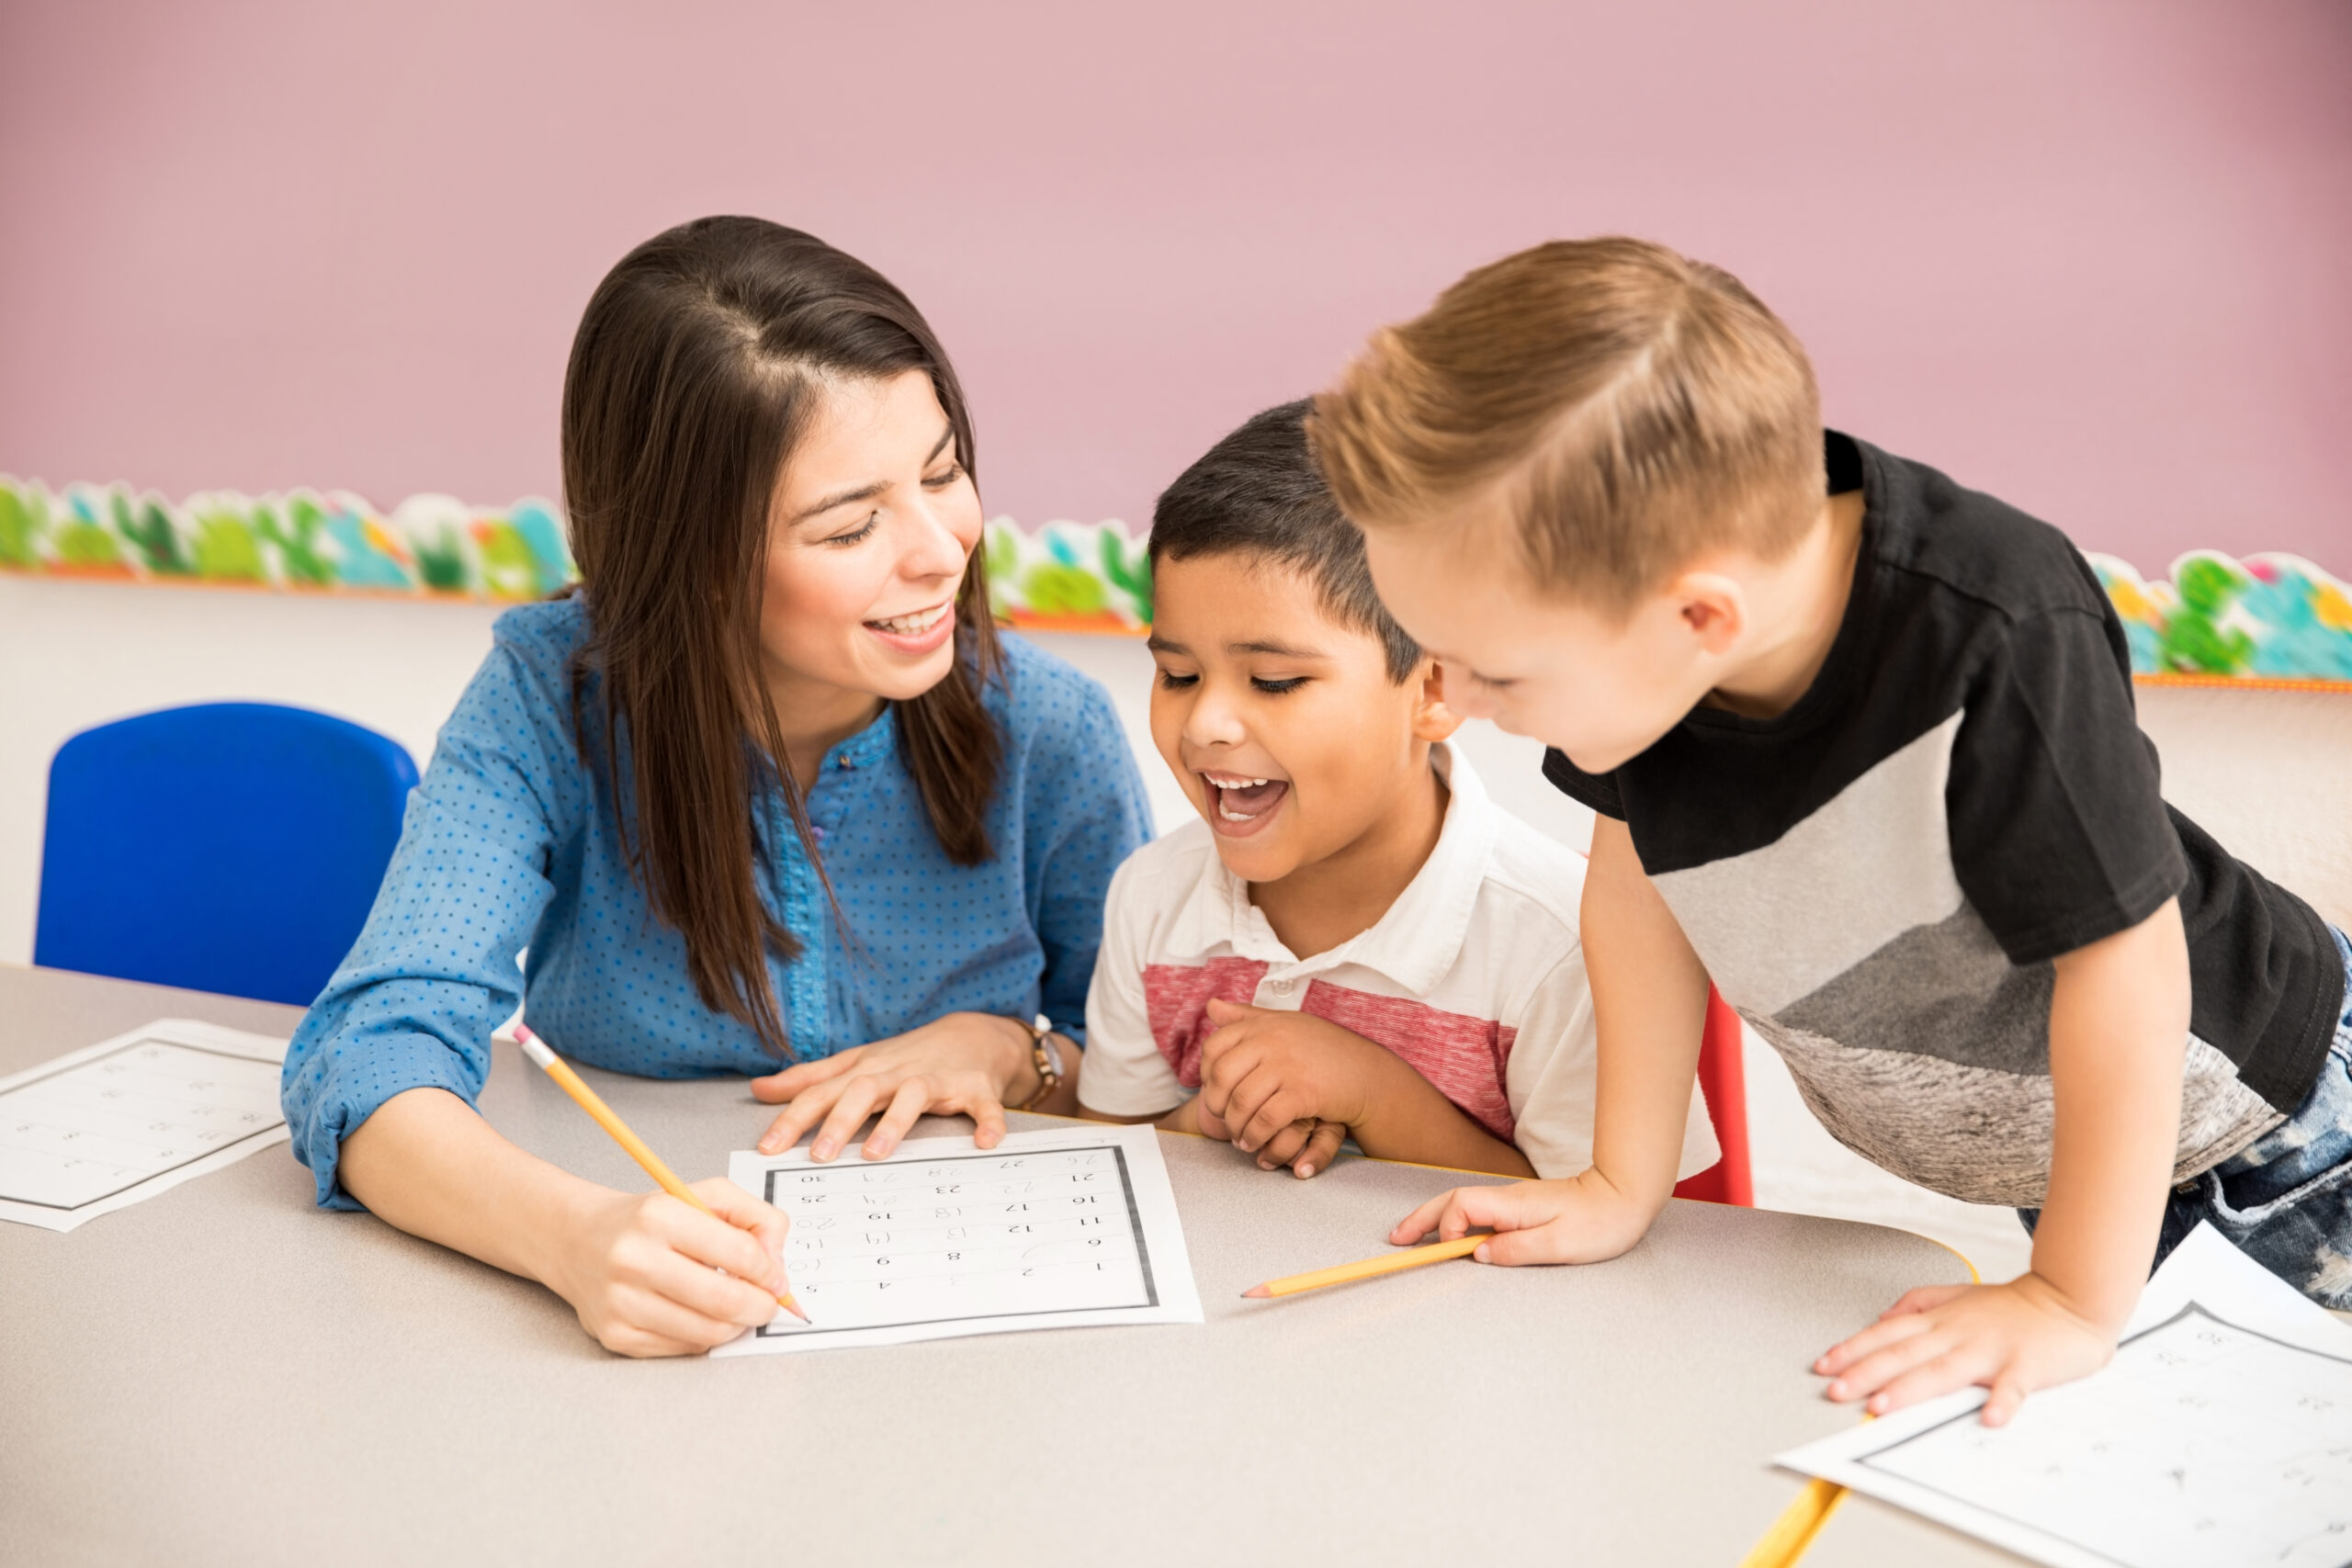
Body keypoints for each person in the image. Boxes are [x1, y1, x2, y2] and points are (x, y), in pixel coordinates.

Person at [1310, 237, 2351, 1425]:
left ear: (1703, 613)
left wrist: (2066, 1291)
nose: (1453, 702)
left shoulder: (1995, 627)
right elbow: (1640, 884)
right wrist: (1617, 1182)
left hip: (2273, 1129)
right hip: (2080, 1159)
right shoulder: (1647, 655)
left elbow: (2126, 964)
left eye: (1491, 672)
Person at [281, 217, 1151, 1358]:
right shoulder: (549, 697)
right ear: (685, 553)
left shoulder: (1050, 725)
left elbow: (1153, 1076)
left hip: (987, 1331)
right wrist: (576, 1240)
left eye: (943, 472)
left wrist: (1012, 1052)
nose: (943, 548)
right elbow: (367, 1053)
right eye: (850, 525)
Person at [1075, 400, 1719, 1184]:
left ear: (1436, 686)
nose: (1205, 722)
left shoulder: (1559, 947)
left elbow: (1608, 1226)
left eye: (1274, 682)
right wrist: (1209, 1117)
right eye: (1178, 674)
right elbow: (1107, 1158)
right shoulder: (1152, 897)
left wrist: (1376, 1097)